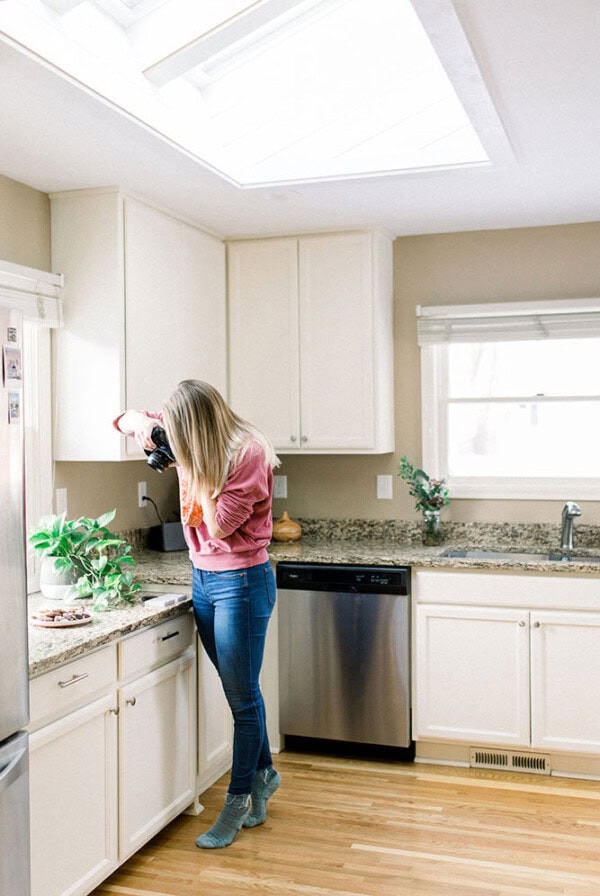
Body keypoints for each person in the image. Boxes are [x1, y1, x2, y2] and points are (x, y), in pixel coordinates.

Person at [114, 380, 281, 849]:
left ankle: (237, 800)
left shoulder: (246, 452)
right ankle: (265, 775)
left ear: (200, 429)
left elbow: (220, 525)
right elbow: (120, 419)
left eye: (182, 435)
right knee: (241, 690)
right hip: (202, 579)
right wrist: (145, 425)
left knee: (242, 701)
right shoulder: (186, 435)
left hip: (240, 583)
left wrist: (193, 466)